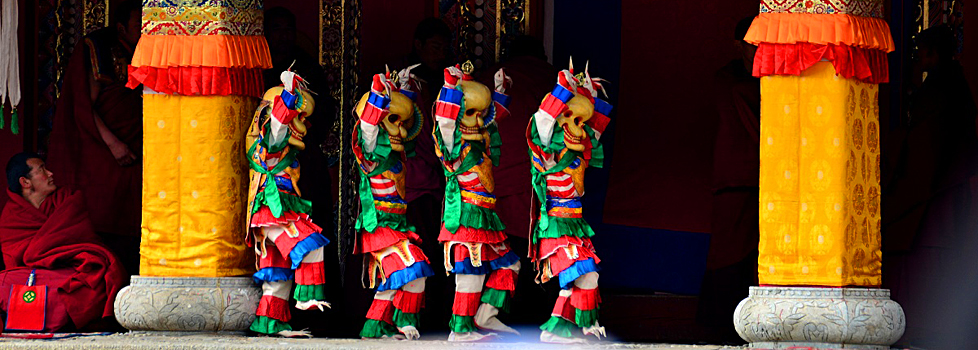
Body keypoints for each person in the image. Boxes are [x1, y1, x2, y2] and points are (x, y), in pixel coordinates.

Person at [882, 24, 977, 347]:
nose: (919, 59)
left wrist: (893, 149)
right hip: (948, 188)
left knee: (925, 251)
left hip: (935, 192)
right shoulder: (954, 83)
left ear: (933, 54)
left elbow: (926, 144)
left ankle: (923, 325)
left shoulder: (940, 89)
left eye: (922, 53)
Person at [45, 0, 143, 275]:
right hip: (106, 150)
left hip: (139, 151)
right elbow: (84, 106)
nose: (145, 32)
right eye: (139, 26)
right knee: (106, 216)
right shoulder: (101, 48)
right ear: (122, 28)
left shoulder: (150, 53)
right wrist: (113, 144)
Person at [433, 61, 521, 342]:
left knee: (510, 265)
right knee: (470, 275)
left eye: (482, 114)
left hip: (486, 218)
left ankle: (485, 315)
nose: (480, 121)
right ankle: (460, 330)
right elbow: (445, 121)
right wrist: (450, 88)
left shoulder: (479, 143)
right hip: (465, 217)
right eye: (471, 114)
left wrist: (499, 91)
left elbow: (494, 117)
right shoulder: (452, 148)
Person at [526, 61, 611, 344]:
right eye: (574, 120)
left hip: (575, 227)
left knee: (578, 280)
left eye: (582, 122)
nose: (580, 128)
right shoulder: (546, 150)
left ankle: (556, 331)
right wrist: (564, 87)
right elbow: (543, 119)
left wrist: (590, 94)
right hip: (554, 228)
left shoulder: (579, 154)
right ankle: (586, 325)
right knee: (586, 275)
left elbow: (596, 128)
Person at [0, 153, 127, 331]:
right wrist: (37, 256)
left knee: (100, 274)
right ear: (25, 182)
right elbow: (13, 258)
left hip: (71, 268)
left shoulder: (68, 200)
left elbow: (82, 238)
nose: (51, 173)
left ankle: (62, 322)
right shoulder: (11, 216)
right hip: (35, 275)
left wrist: (38, 253)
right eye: (42, 169)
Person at [352, 69, 435, 340]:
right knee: (411, 266)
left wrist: (402, 89)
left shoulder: (400, 155)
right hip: (378, 227)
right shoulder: (372, 153)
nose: (400, 130)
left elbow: (417, 127)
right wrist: (379, 93)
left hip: (398, 226)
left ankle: (377, 327)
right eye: (393, 122)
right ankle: (402, 321)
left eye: (403, 124)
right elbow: (367, 126)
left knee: (403, 277)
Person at [698, 15, 760, 338]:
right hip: (733, 185)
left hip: (761, 185)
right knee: (727, 258)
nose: (757, 52)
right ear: (738, 46)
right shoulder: (727, 81)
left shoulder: (766, 80)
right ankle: (718, 326)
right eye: (751, 45)